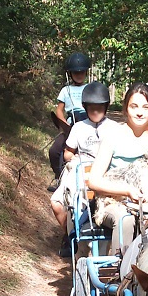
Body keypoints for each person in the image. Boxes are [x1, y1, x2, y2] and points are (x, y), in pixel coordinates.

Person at [88, 83, 148, 254]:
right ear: (126, 108)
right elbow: (94, 180)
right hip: (114, 202)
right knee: (126, 220)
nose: (139, 112)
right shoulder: (113, 135)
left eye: (145, 107)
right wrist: (127, 191)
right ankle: (122, 270)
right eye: (134, 106)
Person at [51, 81, 117, 257]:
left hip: (105, 173)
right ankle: (71, 235)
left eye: (99, 107)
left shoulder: (115, 128)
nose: (95, 111)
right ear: (86, 107)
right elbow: (67, 153)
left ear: (106, 107)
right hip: (81, 171)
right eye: (91, 108)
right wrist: (75, 158)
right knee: (56, 203)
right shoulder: (79, 128)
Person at [48, 51, 90, 191]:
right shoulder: (66, 90)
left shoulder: (90, 89)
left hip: (87, 123)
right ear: (70, 74)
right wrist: (65, 124)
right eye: (76, 72)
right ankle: (58, 176)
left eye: (82, 72)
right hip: (71, 125)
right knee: (54, 150)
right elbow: (59, 109)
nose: (79, 75)